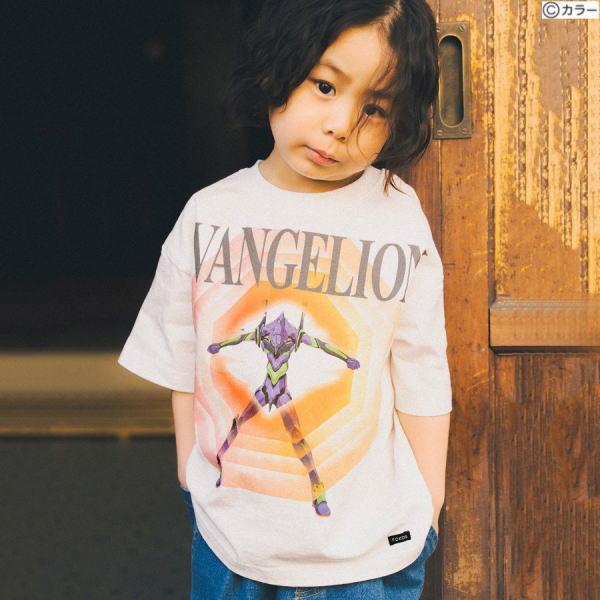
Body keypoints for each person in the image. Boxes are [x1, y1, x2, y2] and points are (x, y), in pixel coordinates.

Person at [117, 0, 452, 598]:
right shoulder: (210, 214)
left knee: (292, 430)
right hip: (232, 545)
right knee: (254, 421)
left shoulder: (398, 218)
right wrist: (191, 471)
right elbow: (182, 354)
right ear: (279, 65)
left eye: (375, 108)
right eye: (324, 85)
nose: (341, 124)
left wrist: (429, 500)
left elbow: (422, 365)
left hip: (366, 551)